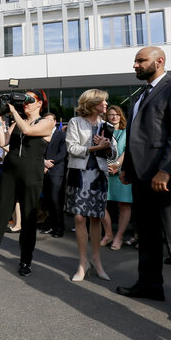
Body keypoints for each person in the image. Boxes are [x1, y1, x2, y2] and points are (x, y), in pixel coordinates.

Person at [117, 46, 171, 327]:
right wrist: (128, 167)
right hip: (141, 178)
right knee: (148, 236)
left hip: (166, 179)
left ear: (159, 61)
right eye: (135, 61)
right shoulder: (140, 96)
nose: (135, 65)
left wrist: (165, 170)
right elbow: (135, 137)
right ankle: (149, 285)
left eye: (140, 60)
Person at [0, 91, 54, 278]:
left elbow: (28, 131)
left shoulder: (46, 122)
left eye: (30, 100)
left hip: (31, 175)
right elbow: (3, 142)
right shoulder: (18, 122)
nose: (25, 103)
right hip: (10, 172)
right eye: (23, 99)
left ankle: (26, 260)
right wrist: (0, 119)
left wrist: (14, 111)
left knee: (28, 219)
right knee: (1, 214)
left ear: (40, 103)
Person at [64, 89, 115, 282]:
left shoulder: (107, 125)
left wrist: (108, 146)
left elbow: (113, 154)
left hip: (99, 175)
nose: (106, 105)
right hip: (79, 174)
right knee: (79, 218)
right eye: (102, 102)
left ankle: (96, 260)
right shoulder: (75, 122)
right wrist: (97, 147)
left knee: (95, 218)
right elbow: (72, 148)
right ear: (91, 103)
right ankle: (82, 263)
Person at [101, 105, 132, 251]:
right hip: (104, 171)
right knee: (100, 203)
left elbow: (128, 150)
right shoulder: (104, 131)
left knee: (124, 205)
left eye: (117, 114)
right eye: (111, 114)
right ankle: (108, 233)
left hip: (122, 172)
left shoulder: (127, 131)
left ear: (121, 116)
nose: (114, 117)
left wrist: (117, 165)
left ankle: (119, 236)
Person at [40, 113, 67, 238]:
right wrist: (43, 163)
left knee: (57, 201)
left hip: (57, 172)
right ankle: (50, 224)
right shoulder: (41, 135)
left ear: (55, 121)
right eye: (44, 120)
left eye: (49, 120)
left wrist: (50, 164)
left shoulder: (62, 135)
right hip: (43, 172)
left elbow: (63, 153)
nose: (47, 122)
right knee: (48, 201)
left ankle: (59, 228)